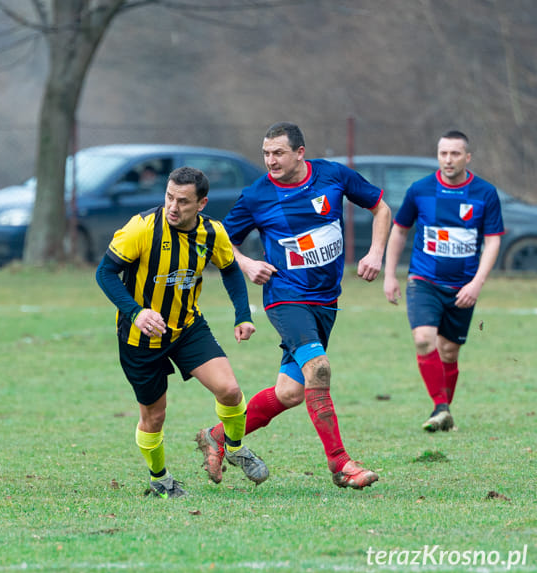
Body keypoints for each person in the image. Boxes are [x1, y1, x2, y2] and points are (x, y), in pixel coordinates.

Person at [196, 121, 391, 490]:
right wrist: (248, 263)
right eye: (266, 153)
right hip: (285, 298)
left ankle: (217, 436)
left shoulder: (333, 176)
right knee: (318, 369)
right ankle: (340, 463)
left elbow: (381, 208)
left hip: (326, 301)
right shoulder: (257, 195)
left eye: (278, 153)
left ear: (300, 153)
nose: (271, 160)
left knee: (290, 393)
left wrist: (376, 253)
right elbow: (218, 240)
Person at [96, 166, 266, 499]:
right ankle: (160, 479)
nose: (173, 207)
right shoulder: (141, 229)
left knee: (230, 390)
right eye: (169, 198)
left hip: (187, 327)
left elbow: (230, 269)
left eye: (183, 202)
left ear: (201, 204)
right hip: (139, 338)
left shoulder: (211, 233)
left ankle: (234, 447)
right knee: (154, 417)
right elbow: (105, 273)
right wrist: (137, 312)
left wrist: (242, 315)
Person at [383, 130, 504, 432]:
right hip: (423, 280)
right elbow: (399, 230)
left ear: (467, 157)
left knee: (449, 352)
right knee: (424, 339)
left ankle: (443, 415)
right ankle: (441, 406)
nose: (448, 160)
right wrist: (389, 275)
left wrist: (476, 284)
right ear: (437, 156)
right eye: (443, 153)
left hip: (463, 286)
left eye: (455, 154)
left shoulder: (485, 193)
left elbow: (492, 242)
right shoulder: (420, 190)